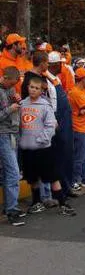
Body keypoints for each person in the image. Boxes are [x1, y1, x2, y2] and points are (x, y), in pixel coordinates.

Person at [19, 75, 75, 216]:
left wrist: (42, 139)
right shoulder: (23, 104)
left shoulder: (45, 105)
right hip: (27, 148)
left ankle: (62, 204)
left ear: (41, 90)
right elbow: (20, 124)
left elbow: (51, 125)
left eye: (36, 88)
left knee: (52, 177)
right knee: (32, 178)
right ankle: (36, 202)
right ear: (28, 88)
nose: (33, 90)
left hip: (43, 148)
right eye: (31, 87)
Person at [0, 67, 25, 225]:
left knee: (7, 172)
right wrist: (10, 109)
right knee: (13, 172)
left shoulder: (9, 89)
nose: (13, 86)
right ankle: (12, 209)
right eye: (13, 83)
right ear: (6, 78)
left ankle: (9, 207)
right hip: (3, 134)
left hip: (13, 133)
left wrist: (17, 100)